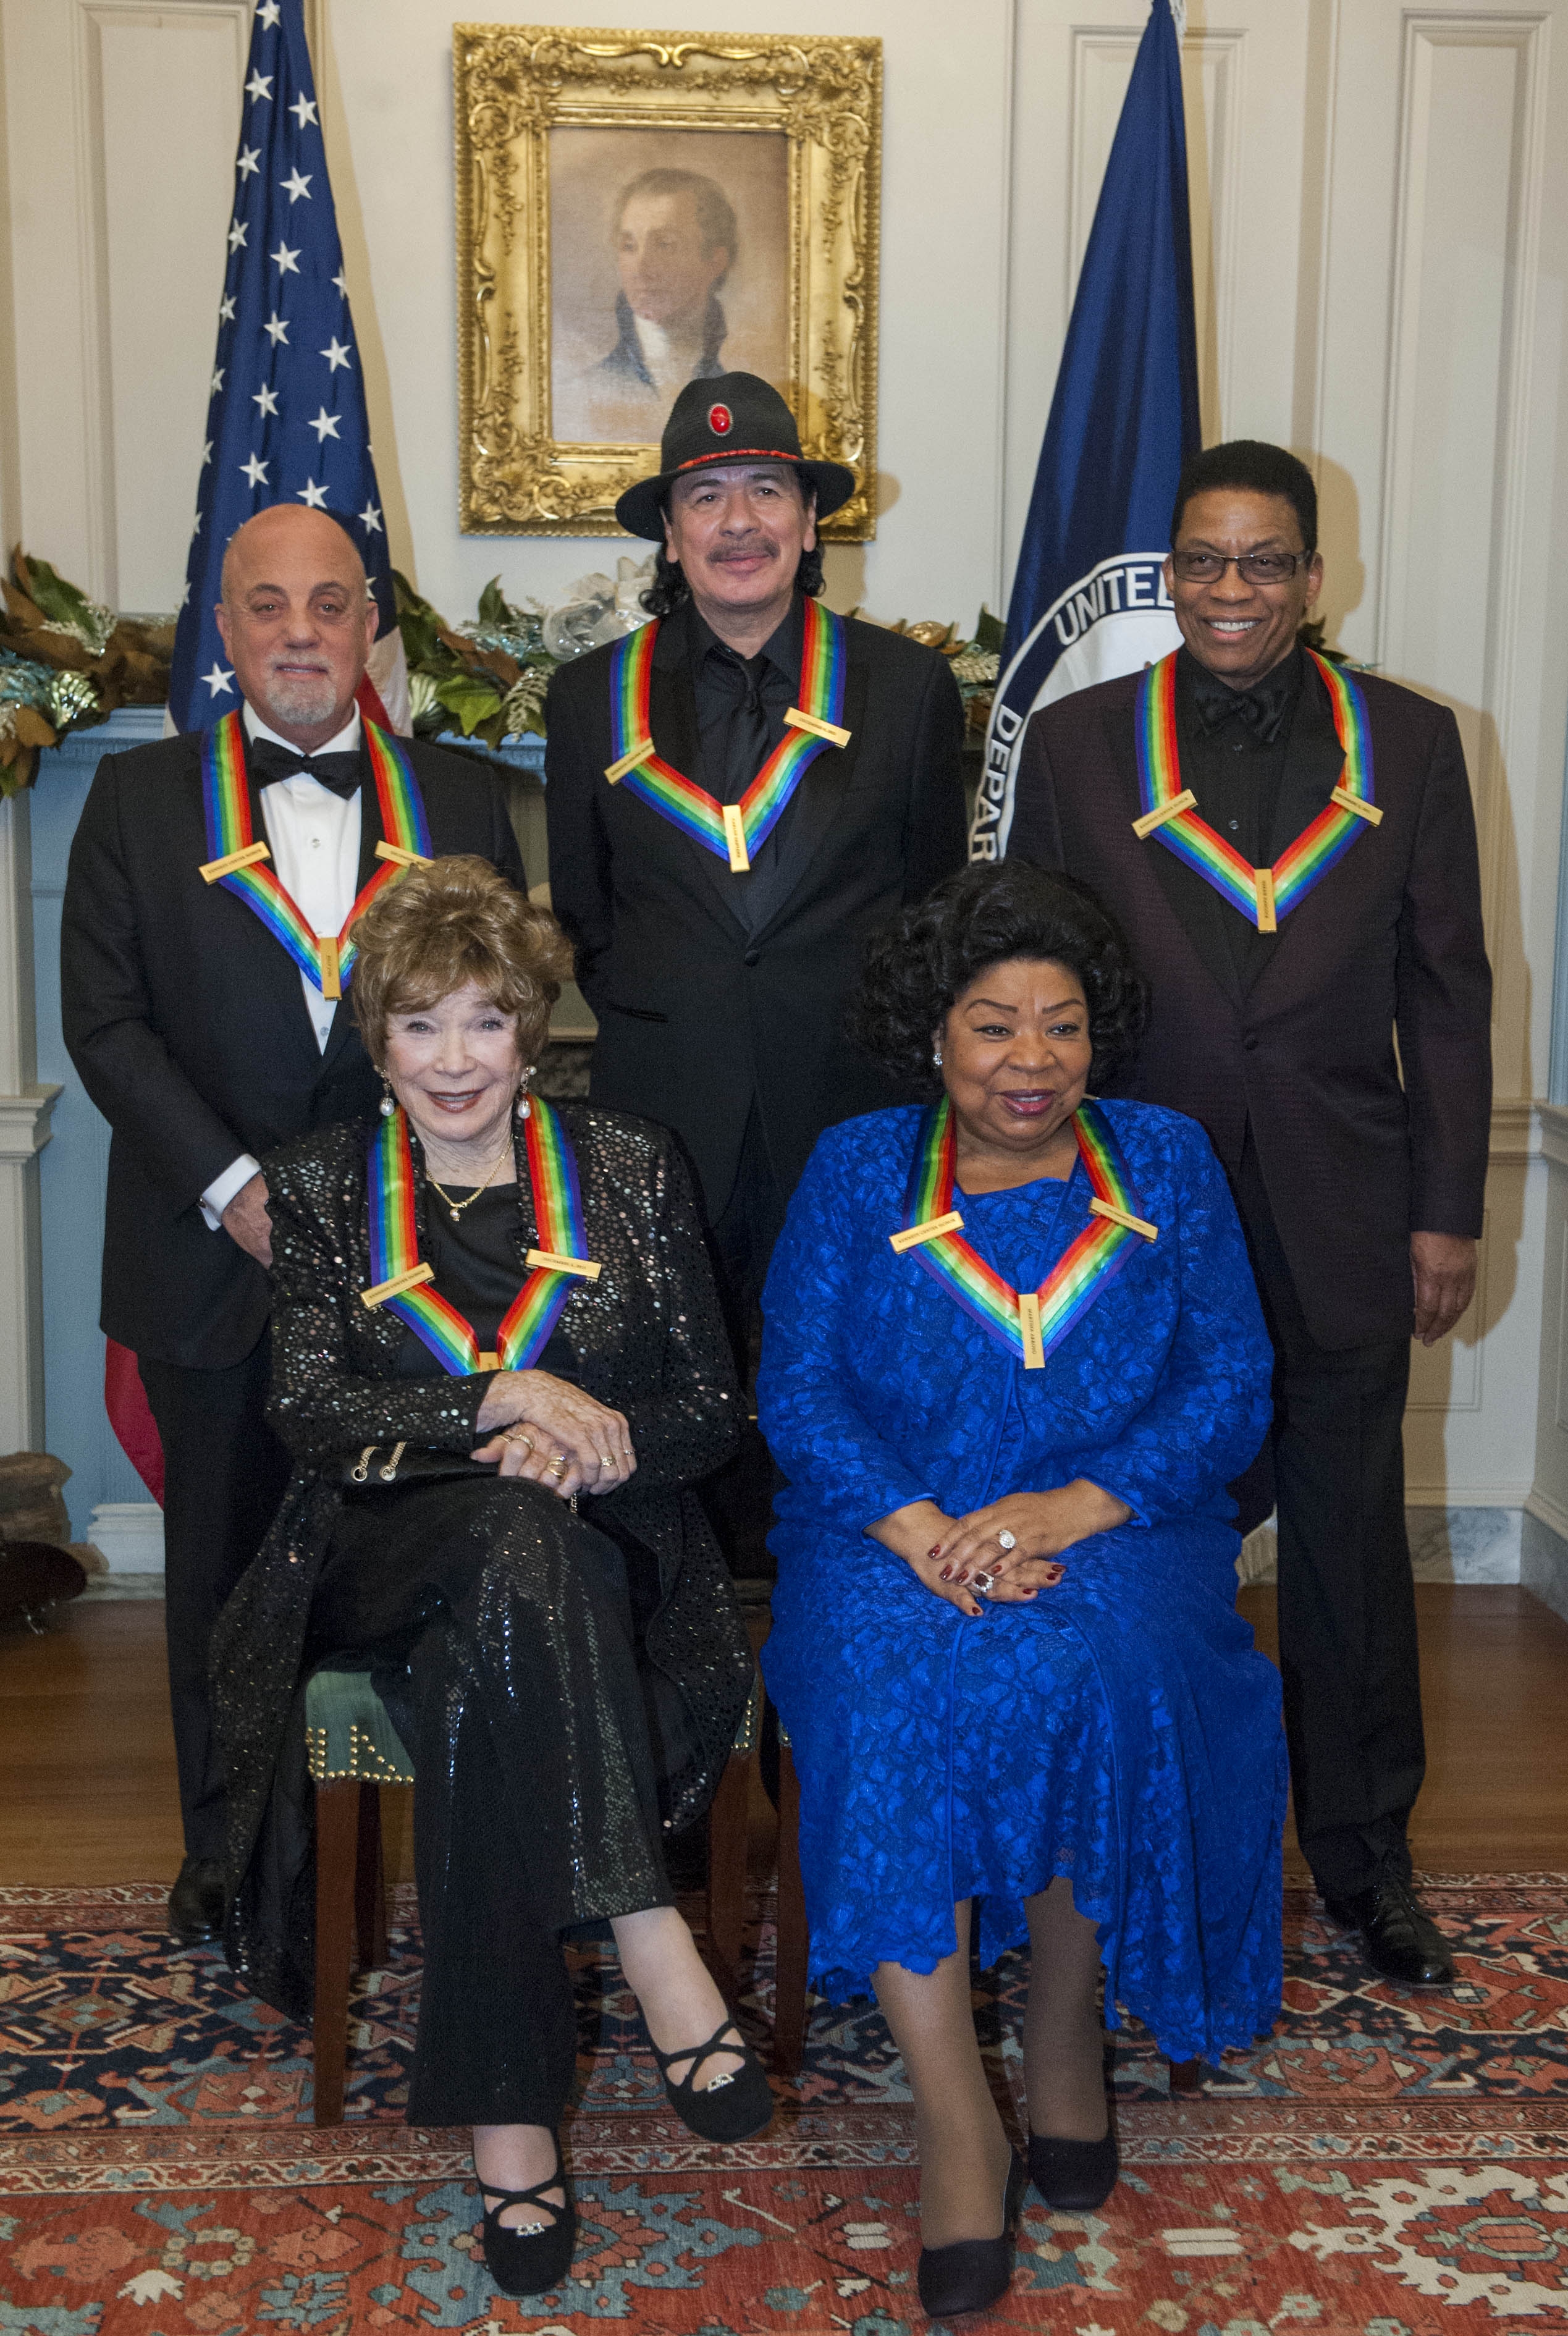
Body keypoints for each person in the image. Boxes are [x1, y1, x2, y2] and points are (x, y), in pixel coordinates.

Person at [209, 856, 767, 2296]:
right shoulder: (325, 1186)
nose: (455, 1060)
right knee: (506, 1551)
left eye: (484, 1021)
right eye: (419, 1025)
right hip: (379, 1545)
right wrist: (498, 1397)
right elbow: (312, 1414)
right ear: (377, 1039)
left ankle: (510, 2128)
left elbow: (710, 1409)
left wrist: (595, 1452)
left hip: (599, 1552)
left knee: (495, 1645)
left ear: (527, 1028)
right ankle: (651, 1936)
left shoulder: (634, 1166)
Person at [758, 861, 1286, 2322]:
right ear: (932, 1036)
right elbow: (795, 1392)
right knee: (895, 1694)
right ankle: (952, 2119)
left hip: (1121, 1527)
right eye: (992, 1026)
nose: (1030, 1061)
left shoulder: (1165, 1161)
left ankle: (1059, 2039)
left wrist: (1070, 1504)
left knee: (1084, 1673)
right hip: (883, 1536)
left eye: (1060, 1026)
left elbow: (1230, 1384)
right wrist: (921, 1530)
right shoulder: (857, 1167)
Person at [1004, 439, 1493, 1989]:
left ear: (1309, 579)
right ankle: (1114, 1848)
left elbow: (1451, 994)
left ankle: (1364, 1863)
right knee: (1133, 1526)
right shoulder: (1081, 745)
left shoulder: (1409, 745)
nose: (1230, 591)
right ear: (1165, 576)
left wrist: (1444, 1209)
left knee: (1348, 1540)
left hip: (1346, 1200)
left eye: (1262, 563)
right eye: (1202, 563)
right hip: (1127, 1218)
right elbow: (1021, 983)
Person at [60, 504, 526, 1950]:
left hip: (415, 1274)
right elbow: (107, 1024)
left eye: (330, 605)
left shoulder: (454, 795)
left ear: (369, 624)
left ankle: (437, 1879)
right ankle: (235, 1884)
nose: (303, 634)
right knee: (219, 1585)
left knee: (409, 1568)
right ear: (226, 628)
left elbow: (482, 1029)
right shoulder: (137, 801)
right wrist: (236, 1188)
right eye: (270, 607)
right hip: (209, 1261)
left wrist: (385, 1203)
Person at [546, 371, 967, 1551]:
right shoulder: (588, 699)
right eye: (708, 496)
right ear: (670, 536)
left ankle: (839, 1640)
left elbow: (934, 914)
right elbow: (581, 914)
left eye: (765, 490)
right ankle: (692, 1660)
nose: (739, 522)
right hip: (661, 1115)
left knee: (850, 1391)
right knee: (665, 1394)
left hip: (851, 1111)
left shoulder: (907, 689)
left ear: (807, 518)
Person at [597, 168, 735, 404]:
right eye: (629, 246)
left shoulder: (744, 390)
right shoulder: (588, 389)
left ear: (715, 261)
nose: (640, 269)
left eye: (664, 245)